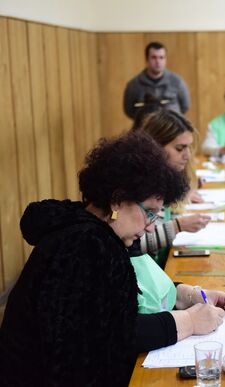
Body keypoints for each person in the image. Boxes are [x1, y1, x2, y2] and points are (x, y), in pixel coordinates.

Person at [0, 132, 188, 386]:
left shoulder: (92, 230)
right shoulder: (85, 245)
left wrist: (182, 294)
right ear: (117, 200)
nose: (151, 227)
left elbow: (118, 302)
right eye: (150, 213)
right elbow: (107, 339)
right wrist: (187, 323)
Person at [131, 109, 210, 267]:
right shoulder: (139, 185)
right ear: (155, 146)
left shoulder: (163, 178)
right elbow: (133, 244)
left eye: (189, 147)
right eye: (180, 149)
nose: (187, 156)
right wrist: (178, 226)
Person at [124, 41, 191, 120]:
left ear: (165, 59)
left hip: (171, 128)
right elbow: (129, 110)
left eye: (161, 57)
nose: (158, 62)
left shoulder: (177, 82)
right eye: (154, 57)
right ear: (146, 60)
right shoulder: (134, 85)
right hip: (145, 129)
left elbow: (185, 106)